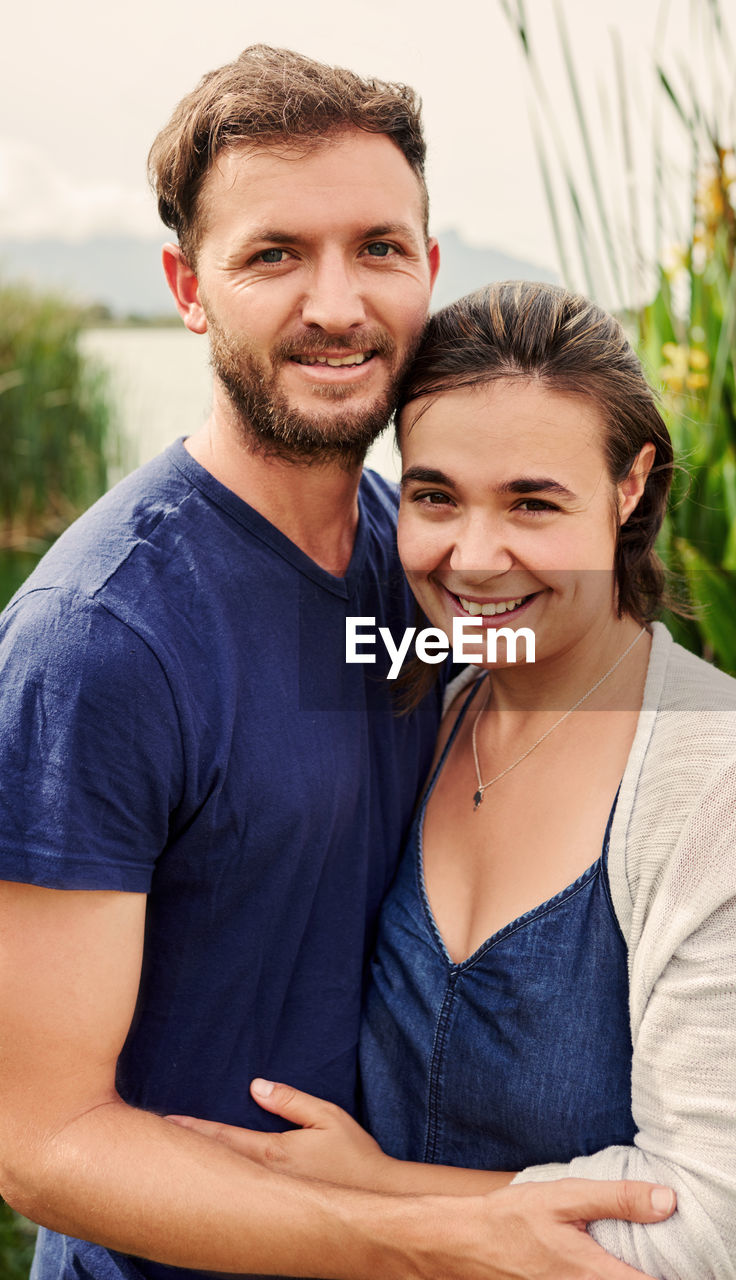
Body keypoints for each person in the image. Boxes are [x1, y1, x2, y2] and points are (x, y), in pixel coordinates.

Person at [0, 48, 685, 1280]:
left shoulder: (421, 554)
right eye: (274, 254)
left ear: (428, 267)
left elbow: (534, 794)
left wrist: (721, 912)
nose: (336, 302)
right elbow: (42, 1138)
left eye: (377, 246)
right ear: (186, 288)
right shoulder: (101, 642)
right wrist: (423, 1235)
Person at [177, 283, 736, 1280]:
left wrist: (374, 1187)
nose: (474, 557)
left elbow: (723, 1236)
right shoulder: (424, 706)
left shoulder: (724, 776)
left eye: (533, 501)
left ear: (629, 486)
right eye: (436, 495)